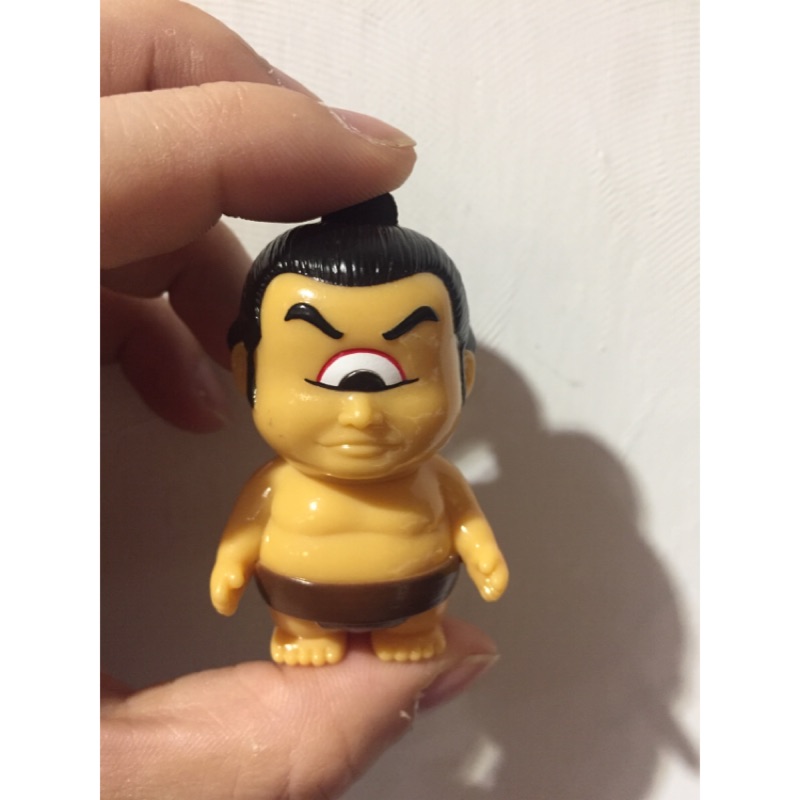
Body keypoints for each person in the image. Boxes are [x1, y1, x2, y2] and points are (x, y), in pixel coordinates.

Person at [101, 1, 499, 797]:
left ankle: (410, 627)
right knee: (305, 630)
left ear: (463, 374)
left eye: (400, 376)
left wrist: (483, 555)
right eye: (329, 377)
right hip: (300, 606)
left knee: (413, 632)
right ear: (245, 367)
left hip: (417, 600)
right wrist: (230, 562)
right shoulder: (278, 484)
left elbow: (465, 519)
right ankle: (302, 629)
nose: (362, 412)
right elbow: (247, 529)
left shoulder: (435, 479)